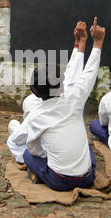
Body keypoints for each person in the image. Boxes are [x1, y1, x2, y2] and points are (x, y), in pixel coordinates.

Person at [19, 18, 106, 191]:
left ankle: (43, 174)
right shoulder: (74, 100)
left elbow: (35, 150)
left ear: (33, 90)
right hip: (88, 177)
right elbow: (89, 73)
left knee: (27, 155)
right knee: (86, 148)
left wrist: (50, 154)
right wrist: (97, 42)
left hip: (60, 181)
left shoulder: (36, 116)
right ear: (62, 85)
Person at [7, 23, 85, 163]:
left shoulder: (36, 112)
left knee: (13, 132)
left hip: (47, 151)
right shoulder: (71, 98)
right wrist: (79, 43)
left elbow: (24, 144)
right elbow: (75, 67)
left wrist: (80, 42)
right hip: (62, 150)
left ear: (35, 89)